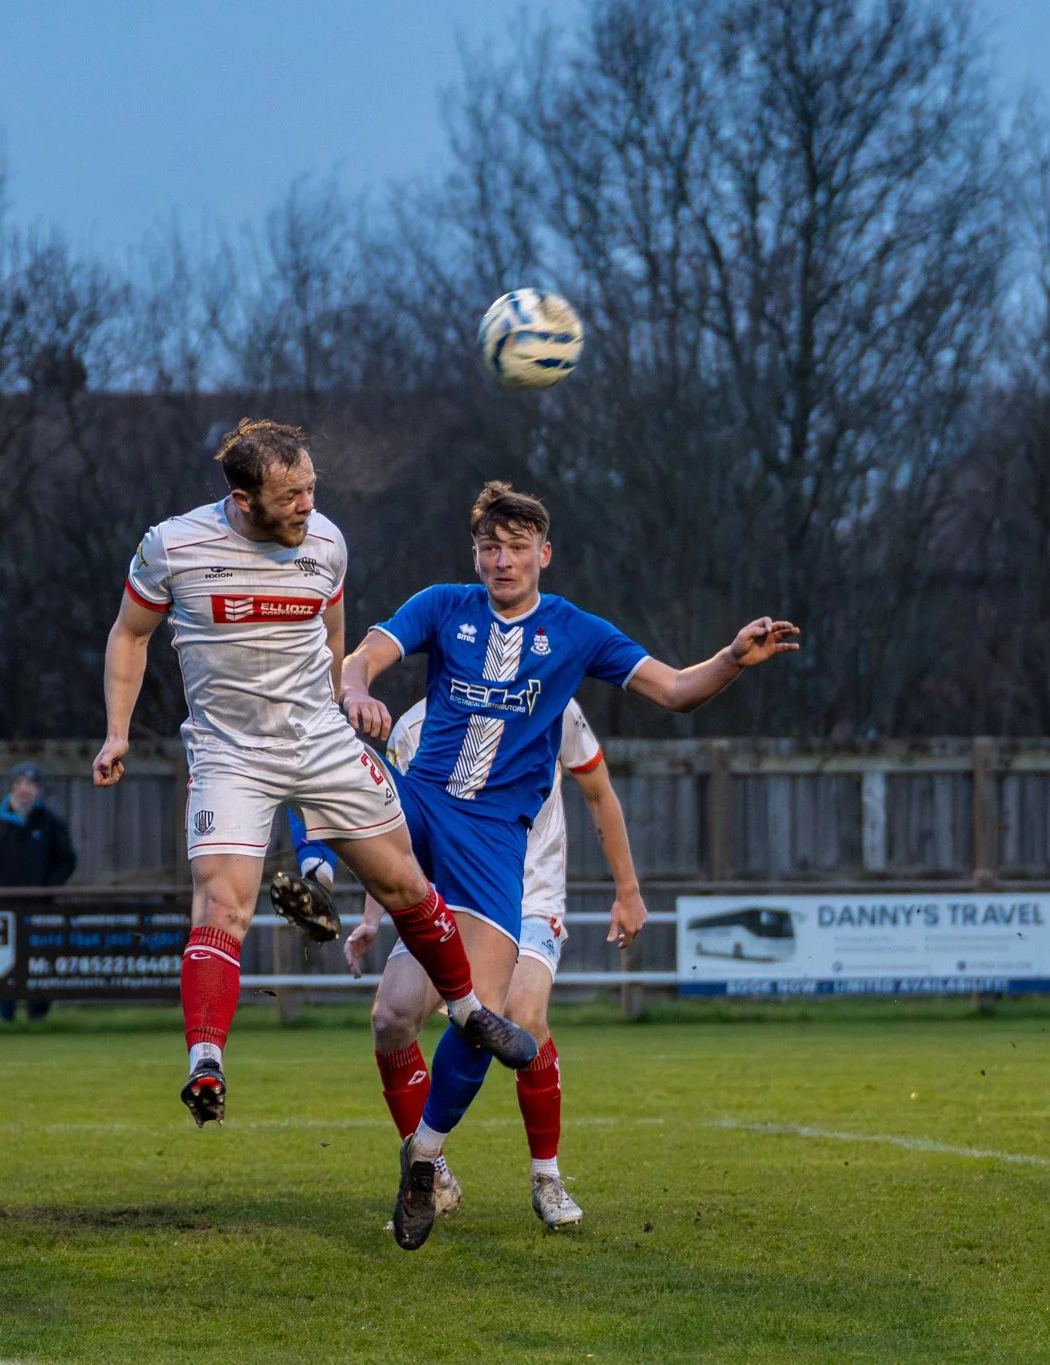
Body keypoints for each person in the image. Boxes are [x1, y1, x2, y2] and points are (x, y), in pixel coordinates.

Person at [340, 480, 797, 1249]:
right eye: (490, 546)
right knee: (329, 784)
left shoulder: (575, 632)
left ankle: (424, 1158)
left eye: (518, 547)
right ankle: (318, 877)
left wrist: (731, 659)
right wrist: (351, 685)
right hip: (422, 805)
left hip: (491, 843)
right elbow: (367, 654)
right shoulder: (444, 606)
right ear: (475, 554)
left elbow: (676, 689)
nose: (502, 560)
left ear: (544, 554)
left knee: (485, 1016)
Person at [92, 420, 536, 1128]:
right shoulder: (172, 546)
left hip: (321, 741)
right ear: (242, 499)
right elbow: (129, 633)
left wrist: (346, 693)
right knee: (223, 904)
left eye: (310, 487)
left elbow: (333, 635)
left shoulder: (326, 543)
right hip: (230, 751)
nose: (307, 504)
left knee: (404, 885)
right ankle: (205, 1059)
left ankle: (469, 1008)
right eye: (289, 494)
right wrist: (117, 731)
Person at [307, 695, 646, 1230]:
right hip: (443, 899)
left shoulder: (554, 702)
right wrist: (374, 916)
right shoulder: (414, 727)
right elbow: (390, 837)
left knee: (520, 1012)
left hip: (528, 898)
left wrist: (627, 889)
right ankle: (431, 1174)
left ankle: (546, 1177)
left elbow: (599, 792)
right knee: (390, 1018)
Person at [0, 760, 77, 1021]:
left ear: (39, 789)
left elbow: (67, 859)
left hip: (39, 908)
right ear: (12, 787)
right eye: (20, 783)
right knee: (5, 964)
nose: (25, 789)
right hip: (4, 908)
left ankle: (38, 1018)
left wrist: (47, 889)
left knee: (39, 964)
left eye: (31, 784)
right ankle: (5, 1018)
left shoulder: (50, 823)